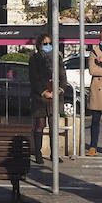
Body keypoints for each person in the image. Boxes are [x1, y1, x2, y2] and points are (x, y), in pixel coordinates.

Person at [28, 33, 70, 165]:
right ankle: (38, 153)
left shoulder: (57, 57)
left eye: (49, 43)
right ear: (39, 45)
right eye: (45, 44)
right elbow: (34, 78)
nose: (48, 46)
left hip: (55, 96)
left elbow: (63, 76)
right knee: (40, 125)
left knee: (53, 125)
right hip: (40, 98)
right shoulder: (34, 58)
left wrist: (60, 89)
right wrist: (44, 92)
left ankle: (54, 154)